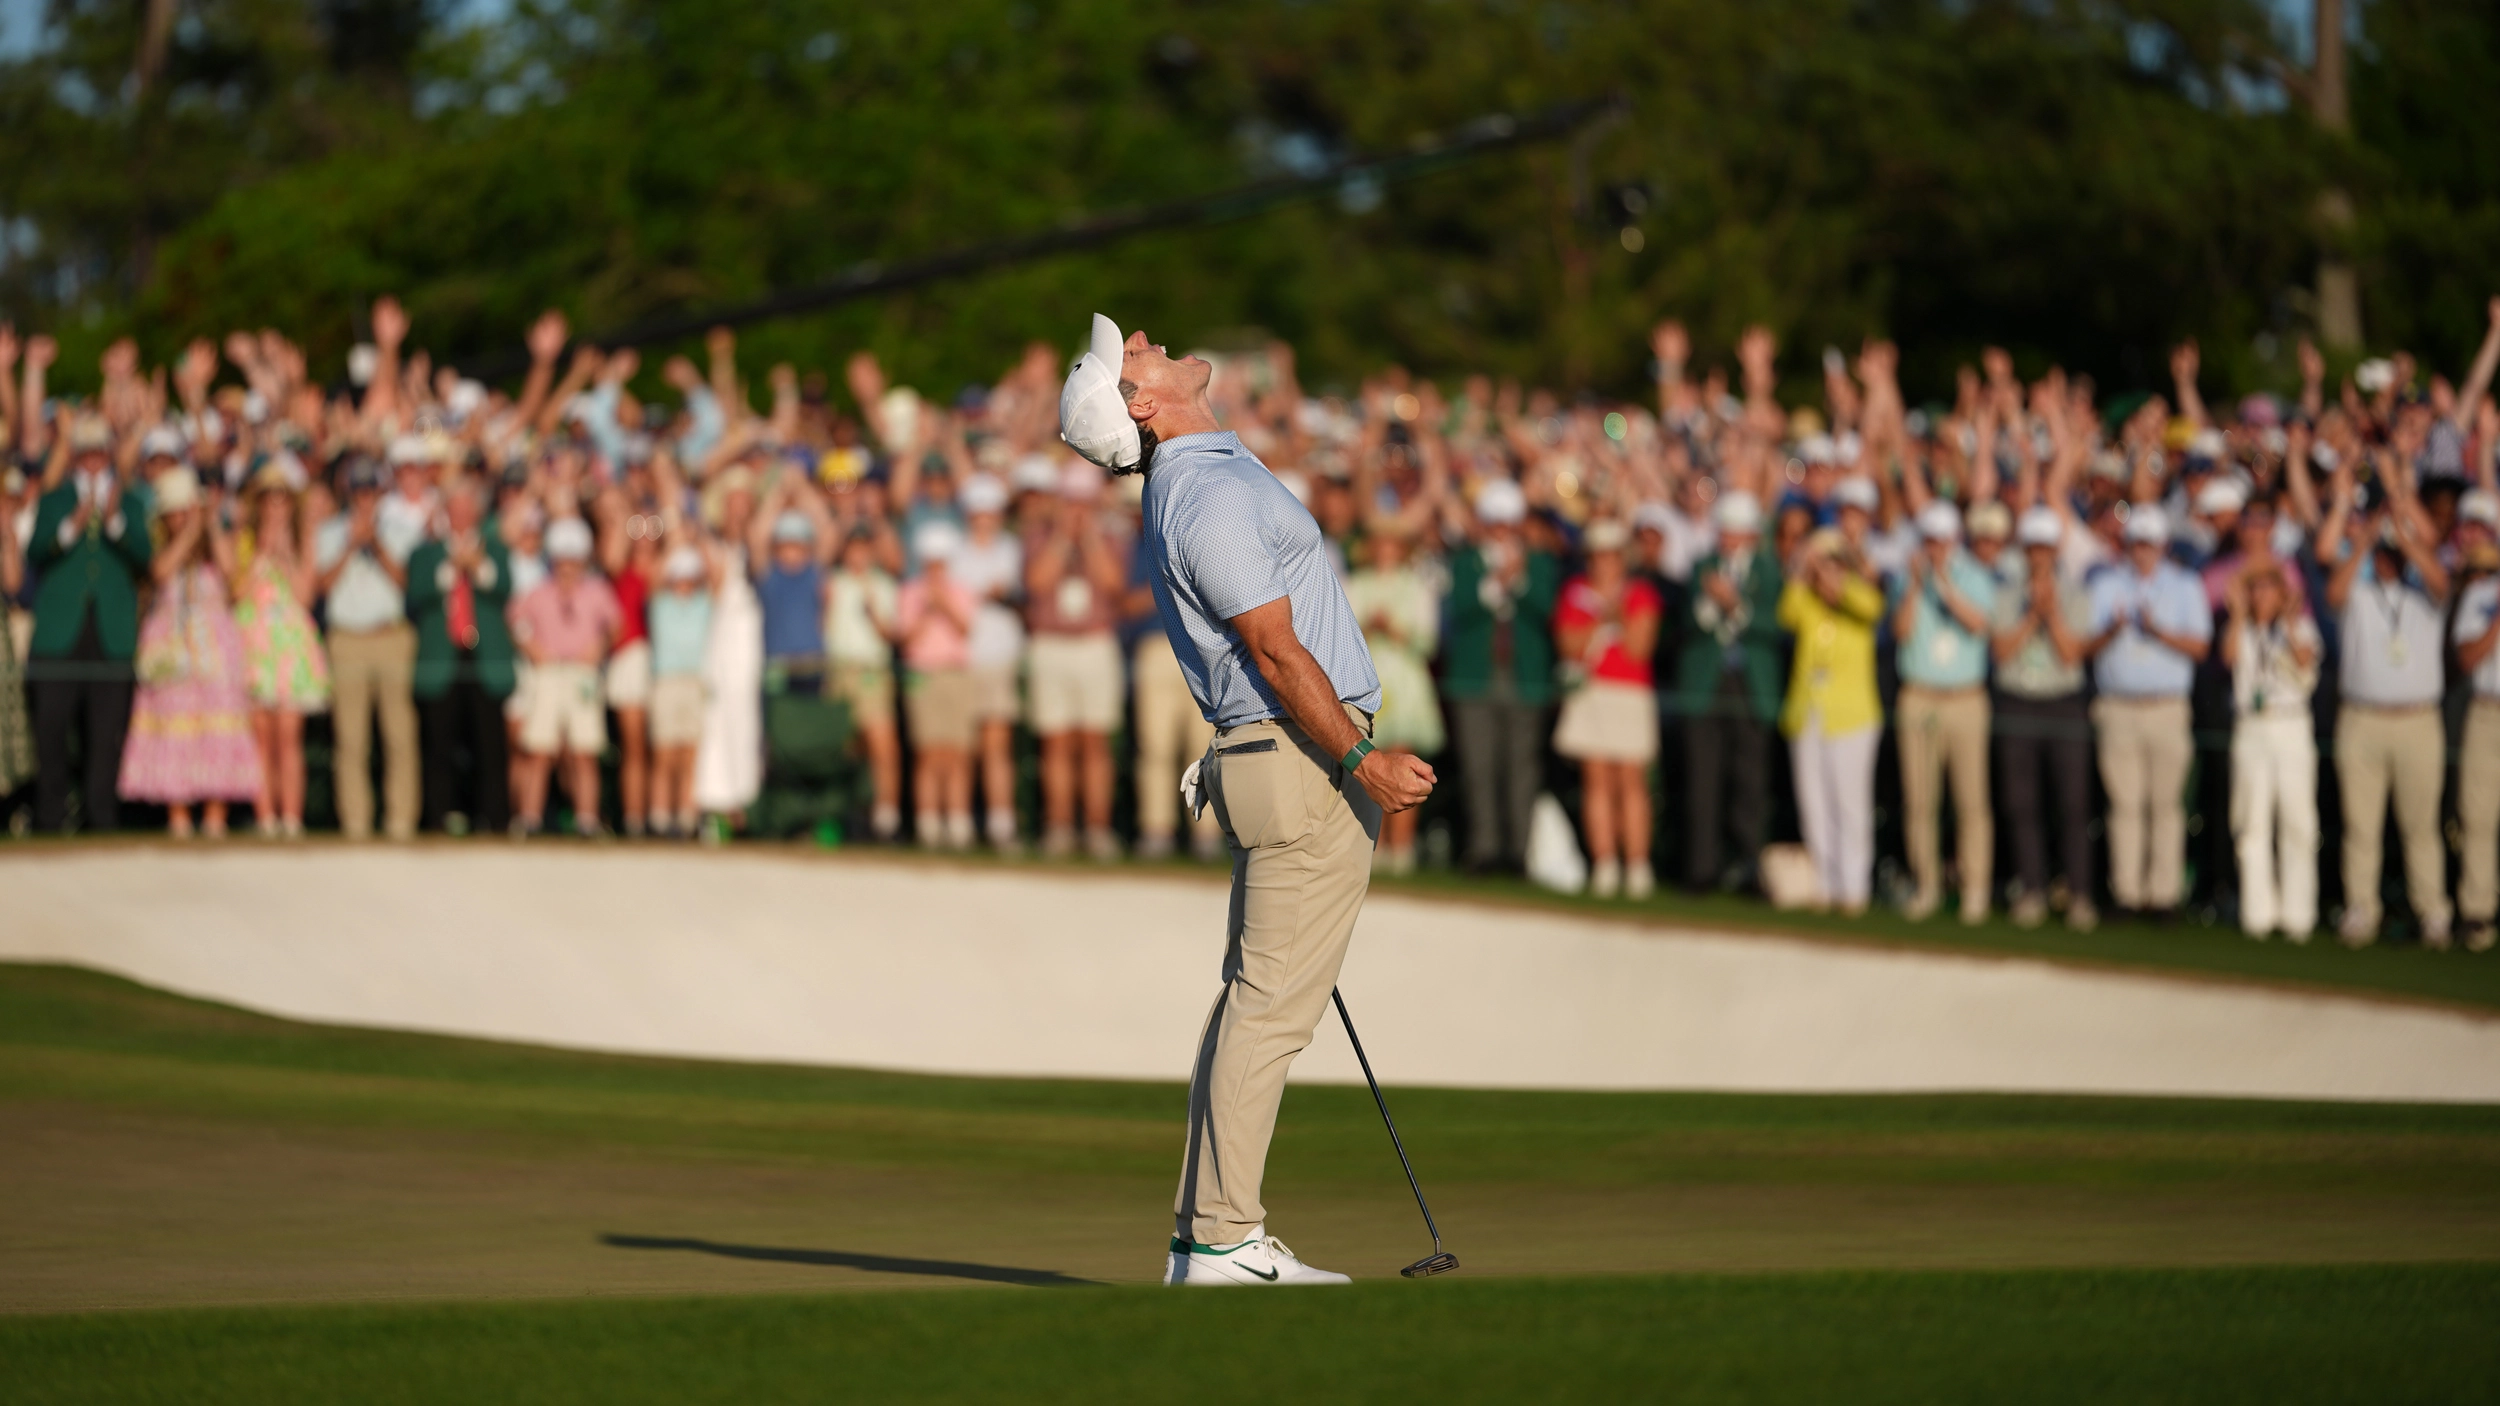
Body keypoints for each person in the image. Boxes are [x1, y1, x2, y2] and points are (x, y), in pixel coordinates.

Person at [1063, 314, 1428, 1287]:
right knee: (1267, 1012)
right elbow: (1272, 647)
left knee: (1252, 1004)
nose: (1144, 337)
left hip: (1280, 756)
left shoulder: (1204, 473)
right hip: (1300, 758)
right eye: (1129, 352)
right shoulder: (1207, 490)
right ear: (1143, 404)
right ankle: (1223, 1237)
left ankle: (1206, 1236)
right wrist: (1361, 757)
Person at [2321, 474, 2451, 948]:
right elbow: (2334, 592)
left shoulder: (2425, 594)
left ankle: (2432, 911)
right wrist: (2366, 540)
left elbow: (2440, 580)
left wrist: (2405, 537)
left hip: (2417, 720)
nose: (2387, 558)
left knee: (2421, 825)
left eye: (2392, 552)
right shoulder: (2359, 591)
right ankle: (2362, 908)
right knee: (2361, 825)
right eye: (2384, 552)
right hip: (2362, 718)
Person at [117, 468, 261, 836]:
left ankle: (215, 816)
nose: (182, 518)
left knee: (218, 723)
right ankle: (178, 815)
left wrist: (210, 524)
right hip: (172, 647)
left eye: (186, 511)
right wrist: (190, 532)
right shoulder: (160, 547)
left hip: (214, 647)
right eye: (176, 513)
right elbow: (162, 571)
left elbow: (231, 572)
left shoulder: (215, 545)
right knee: (173, 724)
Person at [27, 419, 153, 832]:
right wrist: (72, 525)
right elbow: (36, 551)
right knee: (51, 727)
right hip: (60, 632)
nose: (94, 461)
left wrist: (115, 521)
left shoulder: (130, 501)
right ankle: (50, 817)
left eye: (100, 452)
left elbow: (145, 556)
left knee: (106, 732)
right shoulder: (55, 500)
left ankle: (101, 817)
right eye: (87, 453)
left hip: (111, 633)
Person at [2085, 507, 2211, 917]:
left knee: (2166, 805)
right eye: (2136, 544)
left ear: (2163, 546)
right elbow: (2086, 644)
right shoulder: (2106, 584)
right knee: (2124, 805)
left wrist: (2159, 632)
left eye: (2149, 544)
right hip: (2118, 705)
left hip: (2166, 706)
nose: (2142, 552)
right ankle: (2126, 892)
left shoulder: (2185, 585)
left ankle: (2163, 895)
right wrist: (2112, 630)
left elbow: (2200, 646)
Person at [1442, 477, 1559, 873]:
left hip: (1524, 678)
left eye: (1509, 522)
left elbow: (1546, 608)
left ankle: (1518, 854)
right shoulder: (1465, 562)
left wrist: (1518, 578)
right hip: (1475, 678)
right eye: (1495, 522)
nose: (1502, 530)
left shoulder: (1539, 562)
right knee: (1479, 766)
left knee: (1521, 767)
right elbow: (1460, 608)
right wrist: (1497, 583)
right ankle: (1484, 849)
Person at [1991, 507, 2100, 931]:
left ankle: (2079, 894)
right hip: (2018, 700)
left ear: (2056, 551)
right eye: (2032, 547)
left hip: (2063, 703)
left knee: (2073, 804)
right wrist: (2031, 614)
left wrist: (2050, 612)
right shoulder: (2006, 593)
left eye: (2045, 547)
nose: (2038, 555)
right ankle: (2032, 890)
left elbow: (2071, 654)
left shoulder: (2075, 593)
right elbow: (2002, 652)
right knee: (2022, 804)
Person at [1889, 500, 1998, 923]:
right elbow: (1901, 631)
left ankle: (1975, 888)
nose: (1933, 547)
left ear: (1954, 540)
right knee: (1920, 800)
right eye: (1928, 540)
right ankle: (1926, 886)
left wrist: (1944, 584)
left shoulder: (1976, 576)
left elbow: (1977, 624)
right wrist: (1916, 588)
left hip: (1965, 698)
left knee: (1971, 801)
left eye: (1940, 540)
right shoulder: (1906, 578)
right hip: (1919, 695)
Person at [1672, 491, 1782, 894]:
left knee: (1750, 782)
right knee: (1702, 780)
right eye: (1725, 531)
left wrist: (1734, 604)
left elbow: (1774, 626)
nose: (1729, 539)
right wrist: (1712, 600)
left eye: (1737, 532)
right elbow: (1689, 622)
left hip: (1750, 685)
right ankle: (1702, 869)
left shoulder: (1769, 572)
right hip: (1707, 684)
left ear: (1752, 535)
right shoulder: (1703, 567)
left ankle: (1750, 868)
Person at [314, 447, 423, 840]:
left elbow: (408, 584)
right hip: (347, 638)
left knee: (399, 735)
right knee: (350, 738)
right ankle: (355, 823)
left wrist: (375, 543)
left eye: (370, 491)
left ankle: (401, 822)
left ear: (380, 492)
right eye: (358, 491)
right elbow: (322, 586)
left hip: (391, 636)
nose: (364, 498)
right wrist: (348, 545)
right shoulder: (328, 532)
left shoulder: (401, 531)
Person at [1552, 518, 1663, 898]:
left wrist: (1609, 619)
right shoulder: (1575, 592)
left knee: (1631, 781)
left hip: (1629, 693)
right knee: (1596, 780)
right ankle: (1604, 863)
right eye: (1598, 556)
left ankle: (1637, 865)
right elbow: (1569, 646)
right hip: (1591, 692)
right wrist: (1605, 618)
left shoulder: (1641, 593)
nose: (1604, 563)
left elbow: (1639, 648)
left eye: (1611, 556)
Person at [1024, 459, 1129, 859]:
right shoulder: (1038, 536)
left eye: (1083, 501)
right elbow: (1037, 582)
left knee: (1095, 742)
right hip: (1050, 644)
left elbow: (1112, 583)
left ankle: (1098, 828)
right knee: (1055, 742)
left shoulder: (1111, 537)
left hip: (1094, 644)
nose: (1077, 509)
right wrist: (1062, 539)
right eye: (1070, 501)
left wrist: (1088, 539)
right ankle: (1060, 827)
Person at [1778, 528, 1885, 914]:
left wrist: (1841, 578)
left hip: (1851, 718)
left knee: (1850, 804)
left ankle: (1853, 886)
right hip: (1808, 714)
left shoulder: (1860, 597)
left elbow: (1871, 607)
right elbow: (1787, 613)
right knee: (1814, 803)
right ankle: (1823, 883)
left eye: (1833, 563)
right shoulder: (1807, 601)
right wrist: (1801, 569)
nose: (1826, 572)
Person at [404, 475, 512, 836]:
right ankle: (438, 816)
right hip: (443, 657)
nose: (462, 516)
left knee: (489, 743)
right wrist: (453, 565)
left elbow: (503, 586)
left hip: (483, 657)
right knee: (439, 743)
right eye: (456, 509)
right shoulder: (426, 553)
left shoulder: (496, 550)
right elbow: (418, 592)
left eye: (468, 509)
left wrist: (476, 564)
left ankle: (493, 818)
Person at [2221, 559, 2321, 941]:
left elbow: (2305, 661)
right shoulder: (2241, 629)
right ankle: (2258, 914)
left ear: (2282, 594)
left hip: (2290, 723)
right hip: (2251, 726)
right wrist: (2237, 614)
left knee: (2298, 821)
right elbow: (2228, 658)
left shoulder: (2301, 627)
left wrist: (2290, 622)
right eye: (2255, 589)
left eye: (2269, 588)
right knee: (2251, 821)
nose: (2261, 596)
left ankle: (2298, 915)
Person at [507, 517, 620, 836]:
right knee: (539, 749)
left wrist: (600, 646)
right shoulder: (538, 592)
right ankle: (529, 819)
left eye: (574, 560)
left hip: (582, 674)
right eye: (562, 560)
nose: (568, 567)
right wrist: (531, 647)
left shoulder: (597, 591)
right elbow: (515, 620)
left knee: (584, 751)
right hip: (548, 673)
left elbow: (615, 625)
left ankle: (587, 820)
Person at [233, 468, 330, 838]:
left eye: (282, 499)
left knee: (289, 737)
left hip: (289, 646)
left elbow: (305, 596)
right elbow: (237, 593)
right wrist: (261, 555)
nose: (275, 507)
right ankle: (266, 818)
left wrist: (286, 556)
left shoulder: (304, 540)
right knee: (260, 737)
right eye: (269, 499)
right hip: (255, 642)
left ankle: (291, 818)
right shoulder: (245, 541)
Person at [1343, 527, 1444, 875]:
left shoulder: (1417, 587)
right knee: (1367, 761)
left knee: (1404, 763)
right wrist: (1371, 628)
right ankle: (1374, 845)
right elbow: (1344, 635)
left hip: (1404, 682)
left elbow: (1427, 641)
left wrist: (1393, 628)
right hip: (1366, 678)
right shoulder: (1356, 583)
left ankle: (1402, 847)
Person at [953, 471, 1025, 851]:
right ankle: (960, 823)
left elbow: (1004, 592)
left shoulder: (1011, 548)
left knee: (996, 746)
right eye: (979, 511)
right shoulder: (954, 550)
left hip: (998, 657)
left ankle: (1000, 824)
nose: (984, 518)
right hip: (959, 658)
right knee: (961, 747)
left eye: (991, 511)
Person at [896, 520, 978, 848]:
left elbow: (965, 629)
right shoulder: (910, 592)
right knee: (928, 752)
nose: (935, 569)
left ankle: (958, 822)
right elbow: (906, 638)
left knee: (957, 752)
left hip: (955, 674)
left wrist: (943, 603)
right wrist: (926, 609)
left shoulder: (961, 591)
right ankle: (928, 823)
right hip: (923, 674)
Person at [825, 524, 903, 841]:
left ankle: (887, 817)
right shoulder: (833, 584)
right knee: (844, 748)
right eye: (853, 548)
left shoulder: (884, 586)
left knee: (882, 744)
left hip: (871, 670)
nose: (858, 554)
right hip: (840, 669)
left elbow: (890, 634)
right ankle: (846, 814)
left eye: (864, 548)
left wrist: (873, 611)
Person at [2449, 539, 2500, 953]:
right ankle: (2477, 913)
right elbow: (2467, 658)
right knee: (2478, 815)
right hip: (2488, 710)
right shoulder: (2481, 595)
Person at [647, 544, 714, 838]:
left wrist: (698, 541)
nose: (683, 583)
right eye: (679, 576)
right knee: (664, 753)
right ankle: (660, 817)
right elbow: (654, 577)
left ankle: (687, 818)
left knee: (690, 754)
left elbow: (717, 576)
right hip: (667, 682)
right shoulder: (660, 604)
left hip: (695, 682)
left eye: (689, 577)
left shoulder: (705, 604)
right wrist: (676, 538)